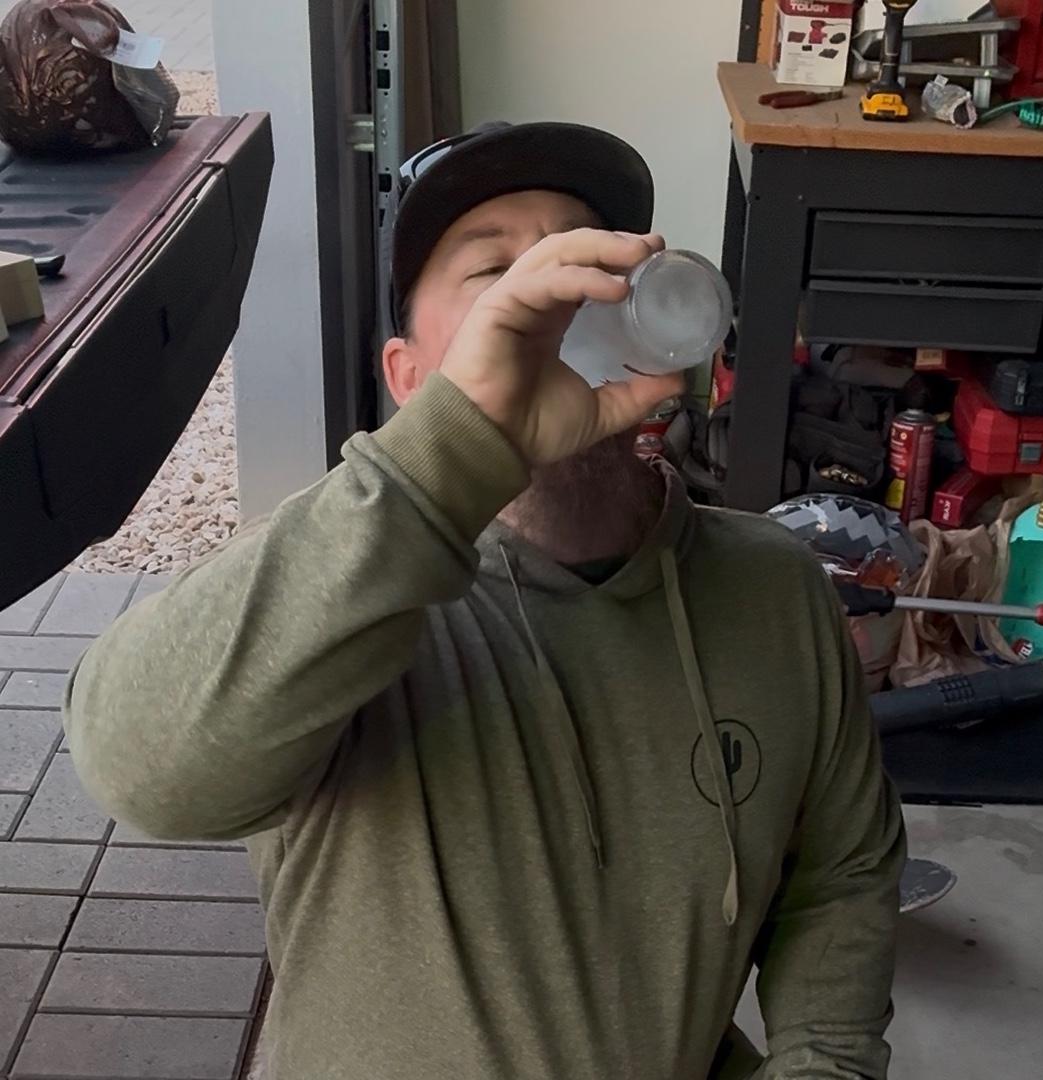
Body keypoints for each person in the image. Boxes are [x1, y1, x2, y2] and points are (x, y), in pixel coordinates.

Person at [64, 121, 906, 1080]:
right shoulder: (336, 589)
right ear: (411, 375)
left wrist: (825, 1063)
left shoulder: (770, 586)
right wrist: (451, 453)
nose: (553, 298)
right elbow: (139, 771)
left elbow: (839, 875)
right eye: (495, 272)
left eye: (578, 259)